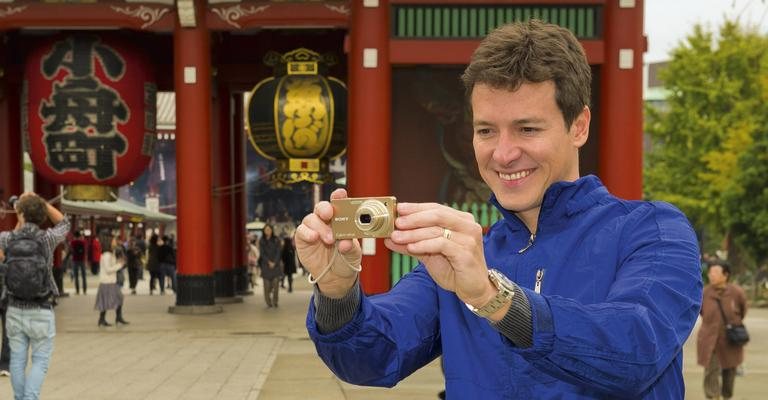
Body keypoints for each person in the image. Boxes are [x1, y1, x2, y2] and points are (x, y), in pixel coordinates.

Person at [295, 20, 703, 398]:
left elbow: (636, 348)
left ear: (578, 125)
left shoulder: (653, 231)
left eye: (527, 129)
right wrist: (336, 288)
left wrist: (493, 298)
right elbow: (373, 358)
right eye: (486, 131)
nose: (503, 154)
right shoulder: (465, 258)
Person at [0, 192, 69, 399]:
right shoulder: (47, 239)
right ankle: (30, 398)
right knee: (40, 361)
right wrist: (42, 202)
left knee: (17, 361)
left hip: (14, 309)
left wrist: (21, 217)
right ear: (41, 215)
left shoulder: (6, 238)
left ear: (20, 214)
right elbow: (65, 223)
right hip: (41, 310)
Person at [696, 260, 747, 400]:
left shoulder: (737, 292)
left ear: (726, 275)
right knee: (710, 373)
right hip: (709, 340)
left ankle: (726, 396)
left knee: (729, 374)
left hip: (730, 340)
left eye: (715, 272)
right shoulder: (704, 292)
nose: (711, 275)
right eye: (710, 272)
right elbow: (701, 312)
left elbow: (742, 312)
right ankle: (713, 397)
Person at [95, 233, 129, 327]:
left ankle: (114, 318)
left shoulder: (111, 254)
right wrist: (120, 265)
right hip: (107, 281)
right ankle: (104, 319)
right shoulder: (106, 255)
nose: (115, 242)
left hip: (111, 281)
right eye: (113, 240)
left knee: (117, 298)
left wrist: (118, 262)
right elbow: (108, 269)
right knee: (108, 300)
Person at [258, 224, 282, 308]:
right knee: (267, 287)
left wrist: (274, 262)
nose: (267, 231)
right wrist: (268, 262)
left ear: (271, 230)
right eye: (266, 229)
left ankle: (275, 301)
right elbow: (262, 253)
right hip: (266, 266)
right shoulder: (261, 241)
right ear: (264, 231)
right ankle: (268, 302)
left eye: (269, 229)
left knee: (276, 286)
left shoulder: (276, 240)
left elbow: (278, 252)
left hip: (275, 266)